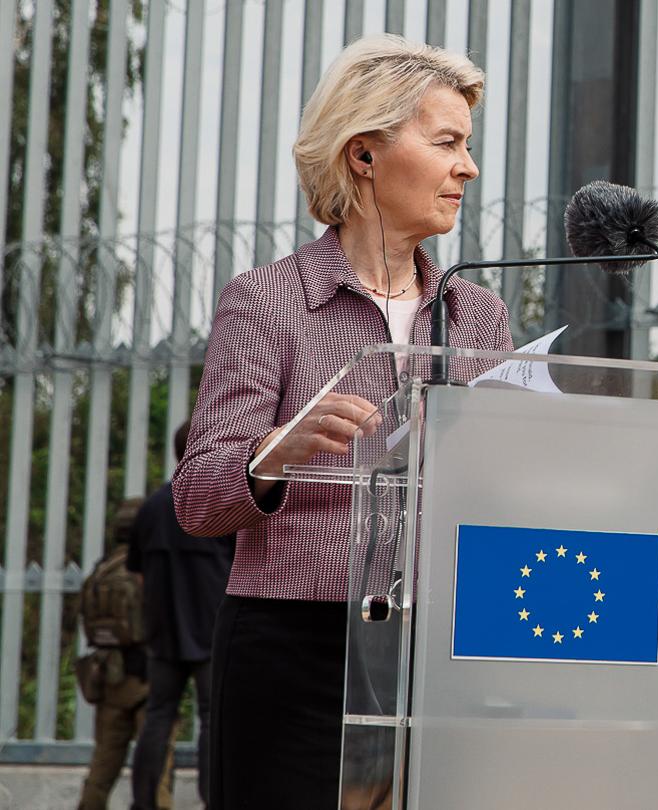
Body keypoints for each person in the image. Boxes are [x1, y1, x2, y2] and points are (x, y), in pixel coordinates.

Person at [173, 34, 512, 809]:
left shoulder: (480, 315)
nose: (468, 167)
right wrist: (275, 451)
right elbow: (196, 499)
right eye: (448, 143)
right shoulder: (266, 301)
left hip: (443, 647)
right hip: (294, 650)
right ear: (363, 155)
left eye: (467, 146)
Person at [128, 421, 235, 810]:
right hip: (210, 628)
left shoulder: (152, 507)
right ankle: (213, 800)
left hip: (163, 632)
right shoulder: (220, 505)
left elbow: (138, 574)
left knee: (159, 715)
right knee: (212, 718)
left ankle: (144, 802)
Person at [75, 500, 173, 810]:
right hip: (147, 677)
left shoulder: (102, 570)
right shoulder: (145, 569)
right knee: (157, 764)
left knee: (103, 764)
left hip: (109, 675)